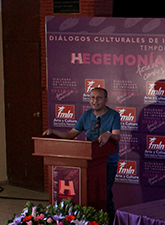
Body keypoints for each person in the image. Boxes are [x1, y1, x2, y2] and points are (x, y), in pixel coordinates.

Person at [43, 87, 121, 217]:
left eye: (99, 98)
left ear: (106, 100)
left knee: (105, 196)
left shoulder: (114, 115)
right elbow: (70, 135)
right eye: (92, 98)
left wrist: (108, 134)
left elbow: (117, 137)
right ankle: (94, 224)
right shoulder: (86, 115)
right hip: (90, 163)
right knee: (90, 196)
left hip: (108, 163)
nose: (95, 101)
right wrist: (53, 132)